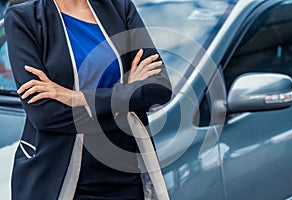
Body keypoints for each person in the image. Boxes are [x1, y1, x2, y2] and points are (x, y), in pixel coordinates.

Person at [4, 0, 172, 199]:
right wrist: (125, 94)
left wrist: (79, 98)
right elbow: (44, 115)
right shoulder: (24, 17)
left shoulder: (119, 7)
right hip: (57, 176)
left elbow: (159, 87)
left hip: (124, 176)